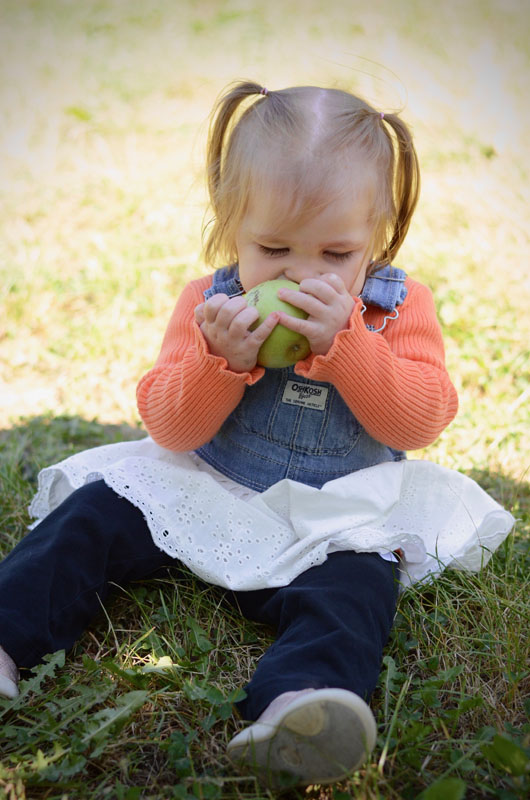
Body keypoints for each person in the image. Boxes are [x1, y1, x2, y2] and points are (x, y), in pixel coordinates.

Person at [0, 81, 514, 787]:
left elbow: (419, 419)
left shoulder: (397, 310)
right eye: (273, 247)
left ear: (376, 236)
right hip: (208, 488)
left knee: (358, 588)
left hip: (330, 517)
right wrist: (220, 362)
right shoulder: (211, 305)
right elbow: (169, 426)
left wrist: (352, 350)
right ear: (230, 225)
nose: (303, 274)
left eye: (336, 255)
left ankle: (300, 703)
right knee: (90, 516)